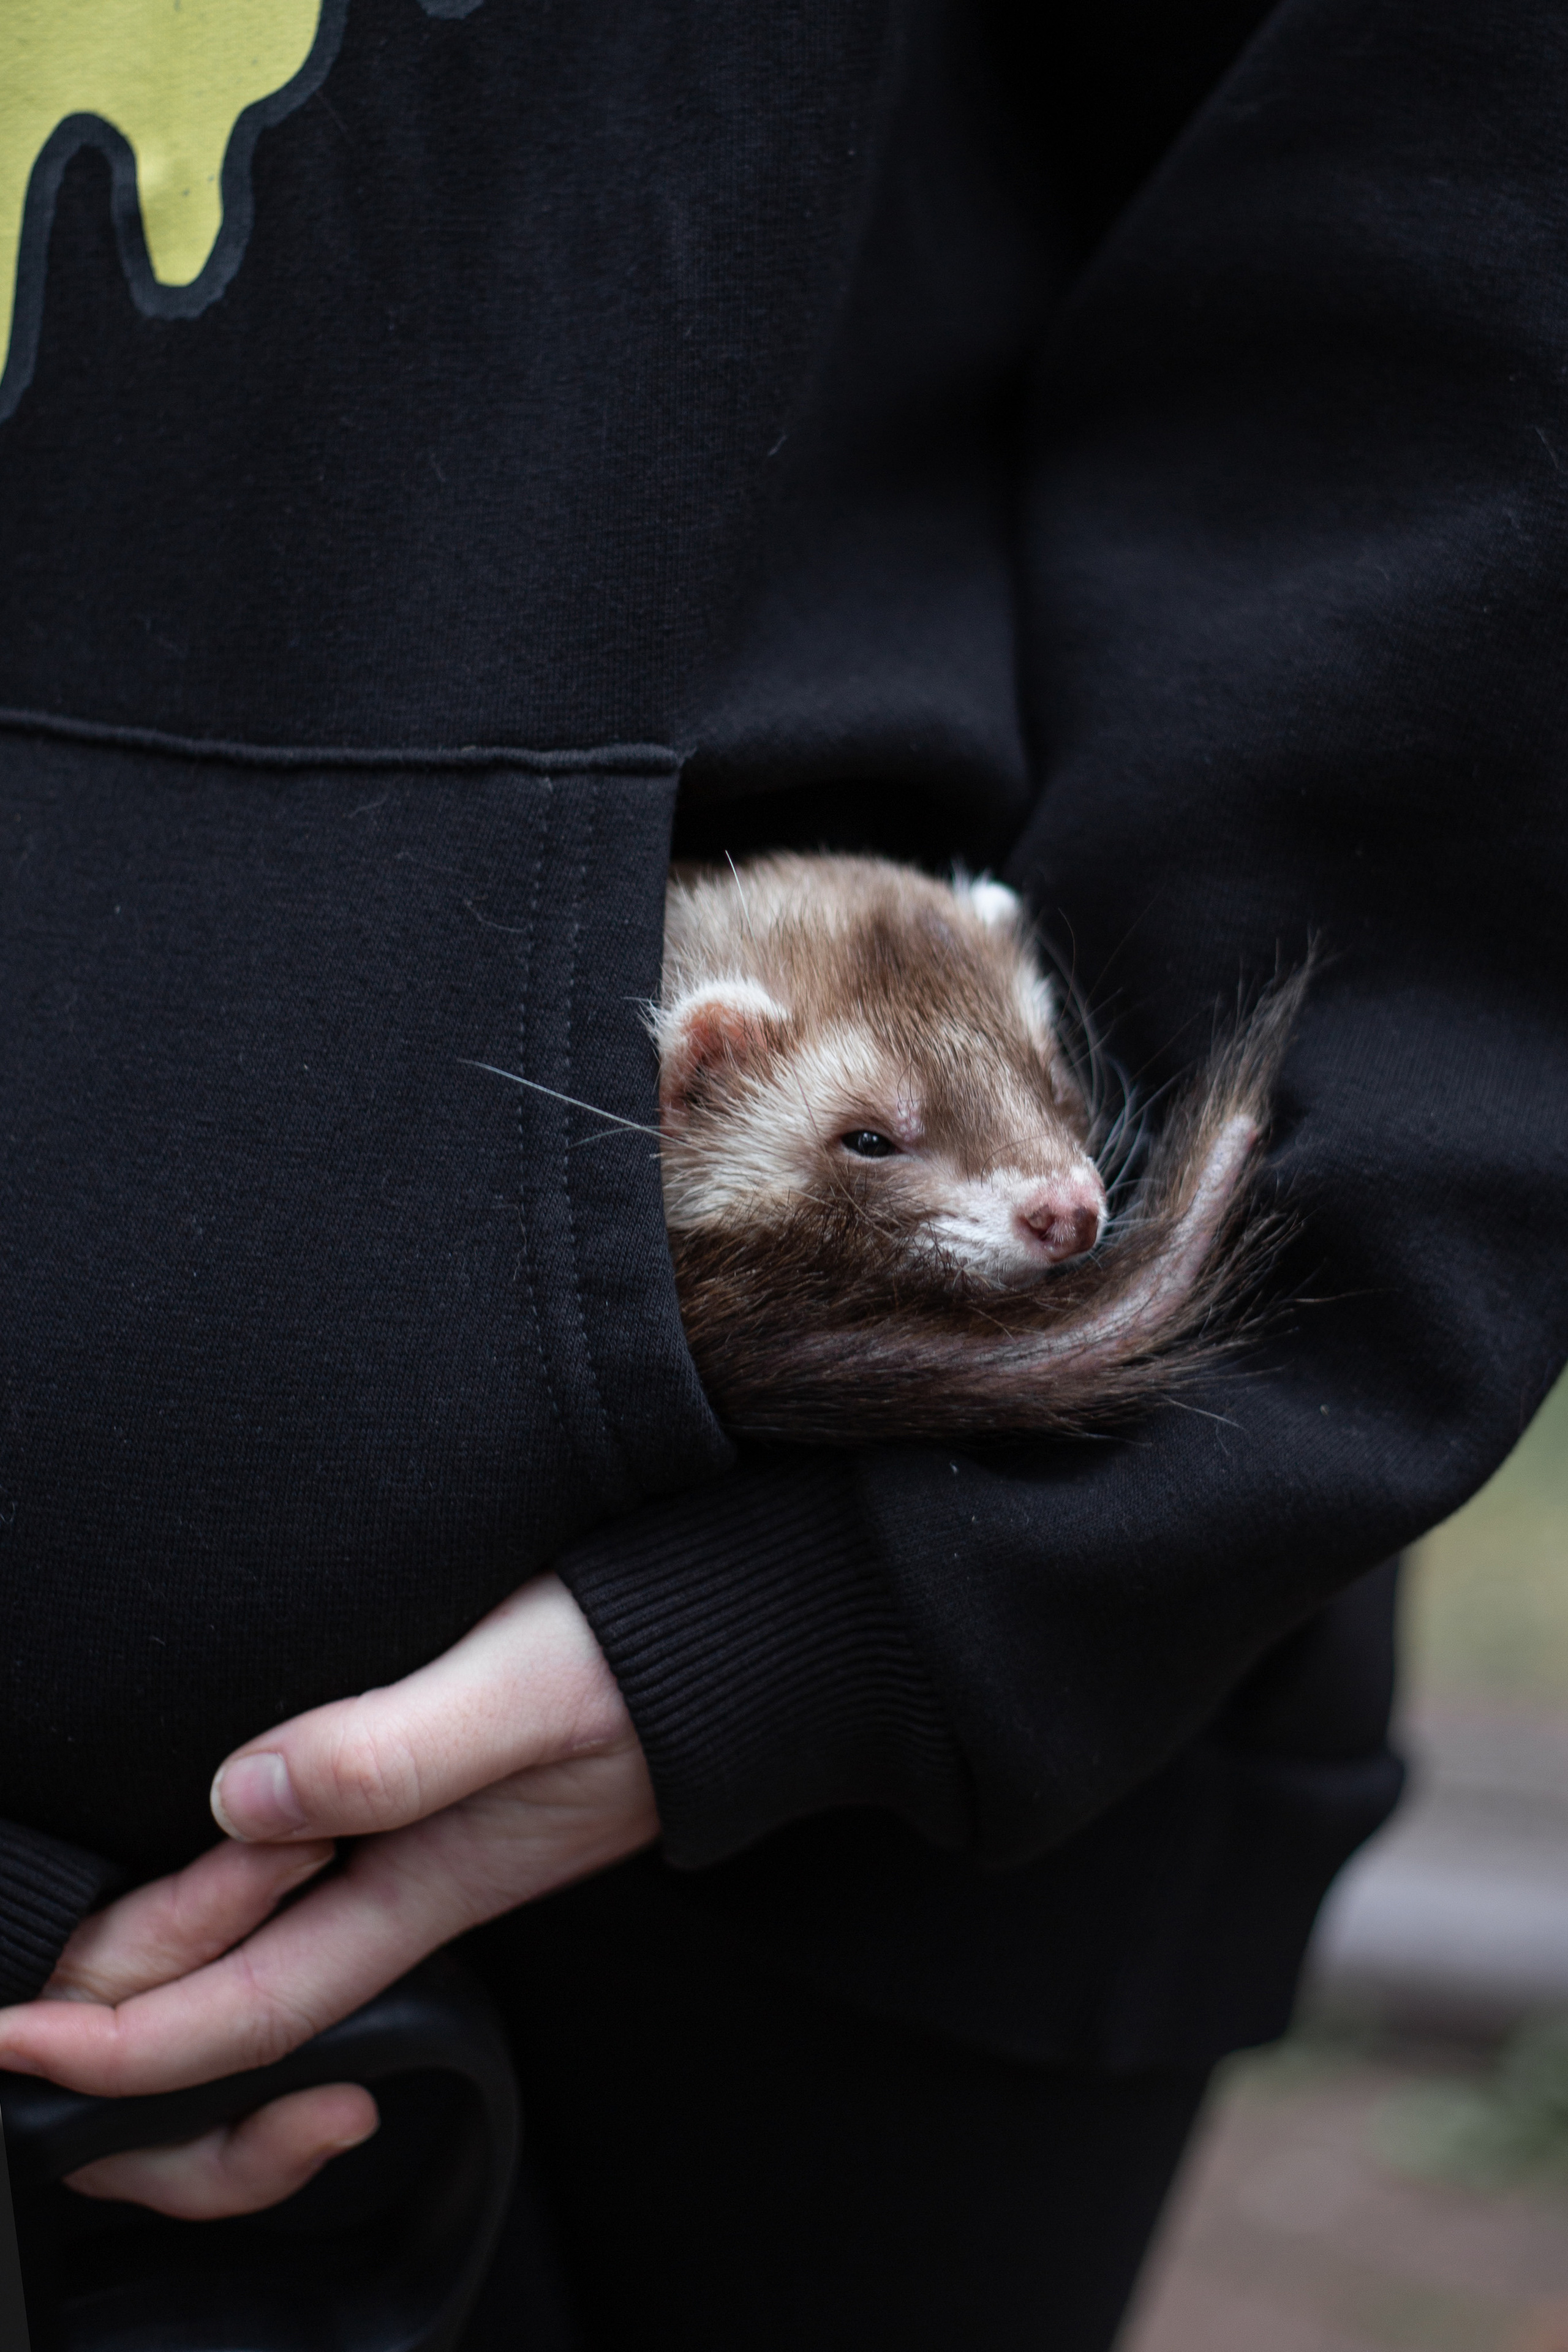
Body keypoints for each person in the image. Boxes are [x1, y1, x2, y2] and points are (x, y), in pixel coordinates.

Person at [1, 0, 1565, 2342]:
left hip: (866, 1892)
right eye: (873, 1140)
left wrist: (921, 1602)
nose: (1055, 1203)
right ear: (692, 1076)